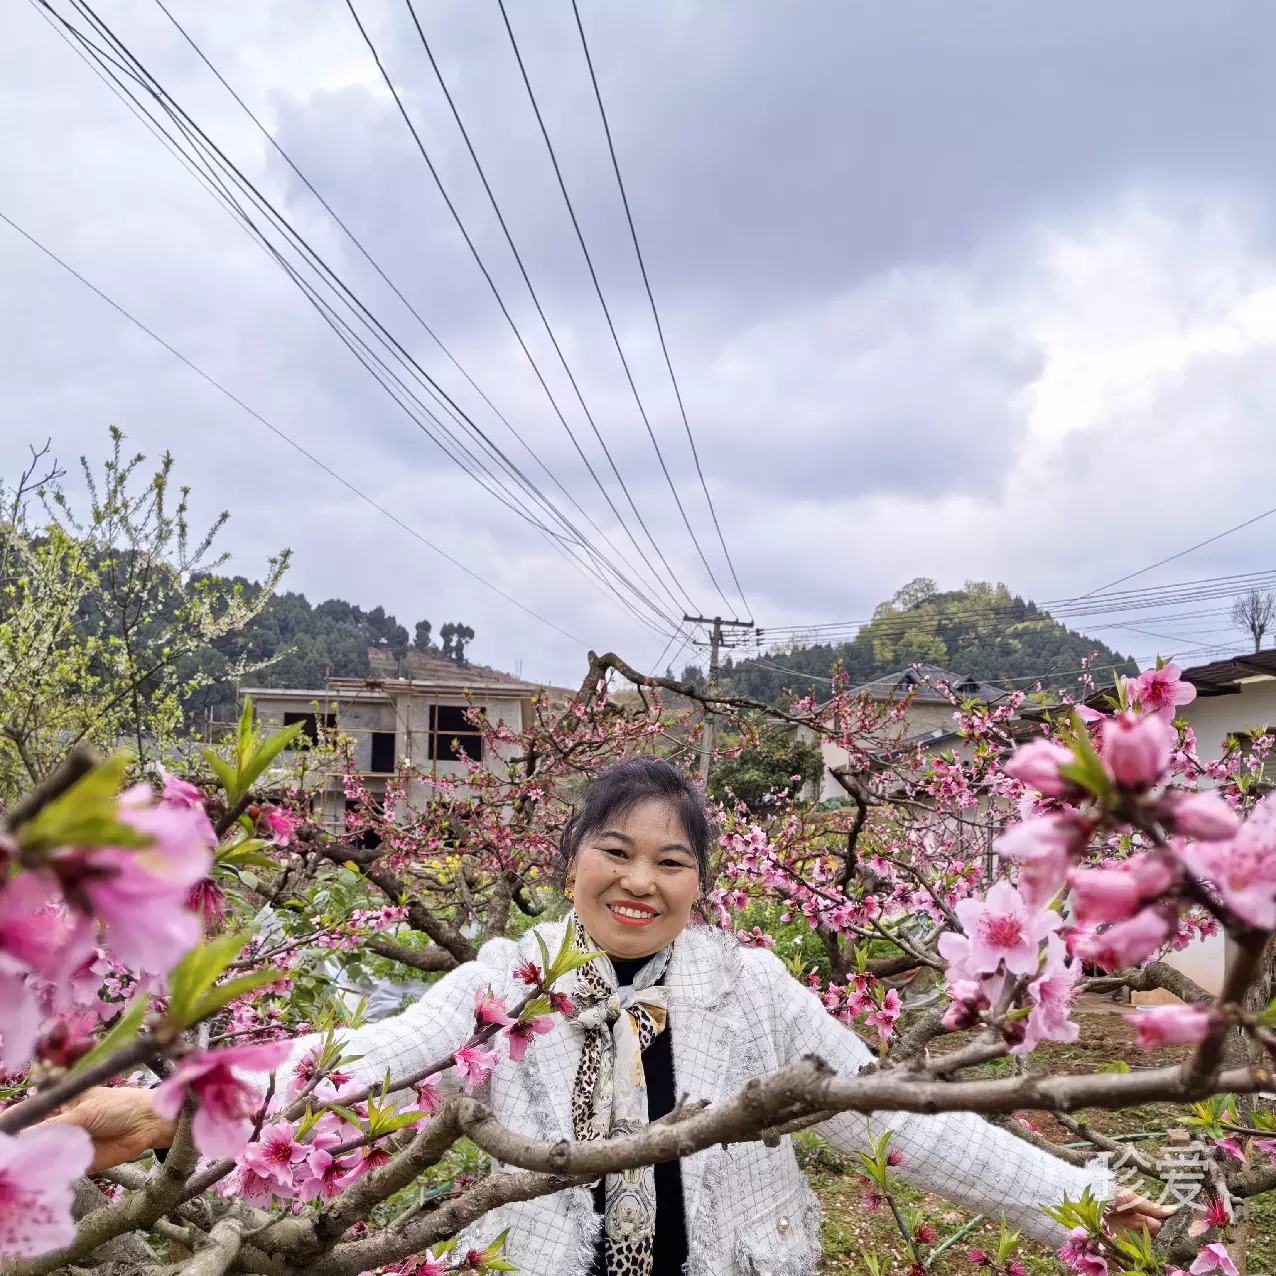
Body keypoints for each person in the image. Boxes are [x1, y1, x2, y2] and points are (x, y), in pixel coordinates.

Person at [50, 758, 1170, 1275]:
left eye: (671, 863)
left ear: (700, 884)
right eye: (615, 851)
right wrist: (168, 1104)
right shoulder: (512, 974)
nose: (639, 882)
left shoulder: (752, 989)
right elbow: (378, 1051)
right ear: (571, 858)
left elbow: (899, 1118)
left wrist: (1069, 1196)